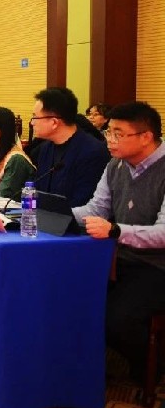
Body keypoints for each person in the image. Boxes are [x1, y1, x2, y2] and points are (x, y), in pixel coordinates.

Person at [72, 102, 165, 383]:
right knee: (71, 295)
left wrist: (116, 231)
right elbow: (95, 210)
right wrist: (54, 213)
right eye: (108, 132)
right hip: (117, 258)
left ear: (146, 136)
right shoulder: (116, 165)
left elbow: (163, 232)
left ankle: (153, 367)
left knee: (117, 319)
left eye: (118, 134)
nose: (109, 140)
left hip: (157, 266)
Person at [29, 87, 110, 207]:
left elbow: (84, 203)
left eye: (35, 117)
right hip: (44, 216)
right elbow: (36, 190)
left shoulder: (93, 152)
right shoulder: (45, 148)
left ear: (54, 122)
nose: (32, 123)